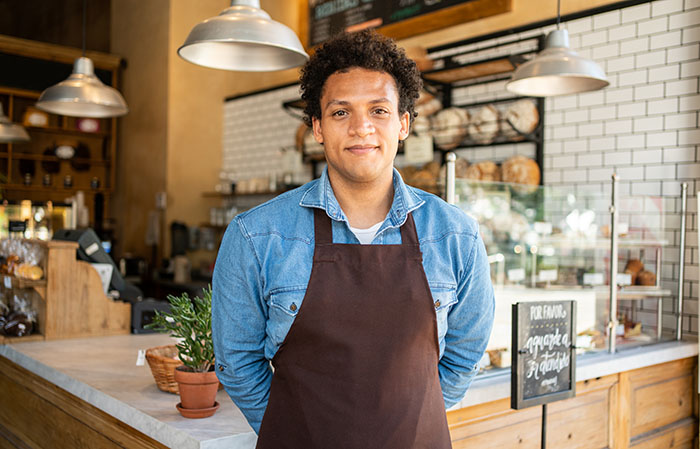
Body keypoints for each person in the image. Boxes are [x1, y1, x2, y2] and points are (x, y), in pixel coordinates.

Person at [212, 29, 494, 449]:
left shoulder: (455, 235)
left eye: (379, 110)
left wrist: (408, 422)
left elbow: (465, 355)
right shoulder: (257, 235)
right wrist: (294, 430)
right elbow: (236, 362)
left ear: (403, 124)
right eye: (341, 113)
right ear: (318, 127)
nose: (362, 128)